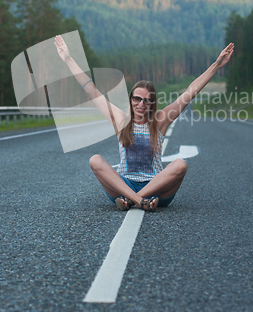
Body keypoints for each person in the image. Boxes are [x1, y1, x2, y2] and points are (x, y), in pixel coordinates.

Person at [54, 35, 234, 213]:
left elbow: (190, 92)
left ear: (152, 103)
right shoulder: (121, 120)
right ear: (131, 99)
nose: (141, 104)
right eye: (137, 99)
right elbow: (91, 90)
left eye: (147, 101)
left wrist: (216, 65)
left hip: (156, 188)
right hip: (124, 186)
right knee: (95, 160)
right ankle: (140, 201)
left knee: (181, 164)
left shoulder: (160, 120)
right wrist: (68, 59)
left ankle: (132, 200)